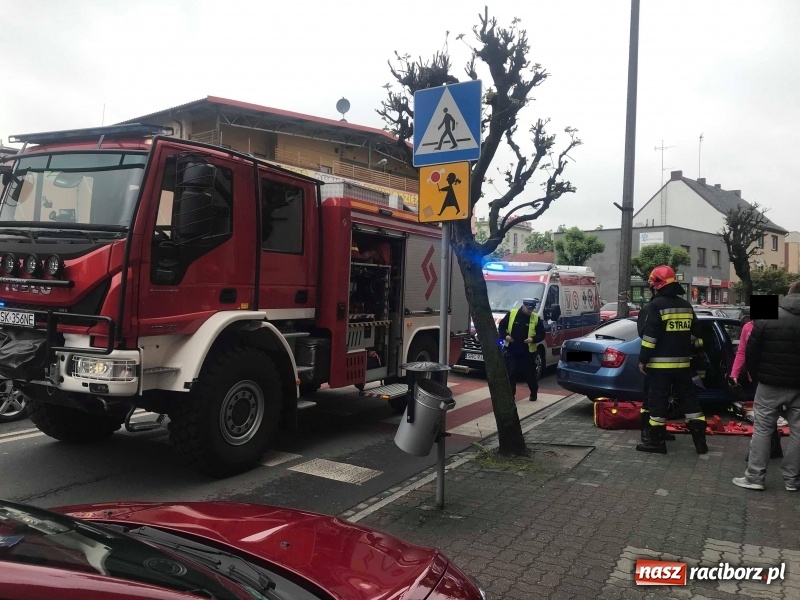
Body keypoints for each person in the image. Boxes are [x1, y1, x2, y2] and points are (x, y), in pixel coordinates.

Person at [733, 280, 800, 492]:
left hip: (769, 384)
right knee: (798, 432)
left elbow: (751, 351)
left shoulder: (767, 317)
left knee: (762, 429)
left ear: (788, 294)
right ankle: (792, 480)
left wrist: (756, 376)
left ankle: (755, 477)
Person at [636, 265, 708, 454]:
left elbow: (650, 338)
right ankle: (701, 444)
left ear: (657, 285)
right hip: (683, 365)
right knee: (690, 402)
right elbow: (697, 336)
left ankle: (656, 443)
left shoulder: (655, 306)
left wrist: (643, 360)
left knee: (657, 403)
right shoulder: (686, 306)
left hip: (659, 367)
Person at [497, 298, 546, 402]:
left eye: (532, 309)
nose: (530, 311)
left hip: (528, 351)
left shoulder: (535, 318)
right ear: (523, 306)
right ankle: (511, 396)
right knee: (511, 373)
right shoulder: (512, 314)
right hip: (512, 350)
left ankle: (533, 393)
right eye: (528, 308)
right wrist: (505, 336)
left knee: (530, 374)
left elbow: (542, 334)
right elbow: (501, 327)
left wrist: (533, 339)